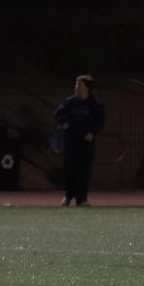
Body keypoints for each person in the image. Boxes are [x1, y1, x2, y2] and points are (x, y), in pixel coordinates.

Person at [54, 74, 106, 206]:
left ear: (87, 88)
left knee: (84, 171)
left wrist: (93, 133)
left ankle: (81, 199)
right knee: (69, 169)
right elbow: (57, 113)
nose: (76, 87)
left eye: (80, 85)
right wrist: (63, 122)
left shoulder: (94, 104)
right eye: (76, 84)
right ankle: (68, 195)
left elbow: (100, 120)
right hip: (71, 140)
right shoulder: (70, 101)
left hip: (85, 143)